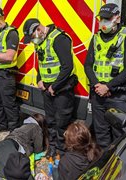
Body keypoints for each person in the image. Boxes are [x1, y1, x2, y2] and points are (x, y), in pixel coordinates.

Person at [22, 18, 78, 157]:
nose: (33, 40)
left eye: (32, 36)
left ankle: (62, 151)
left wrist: (55, 86)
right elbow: (41, 63)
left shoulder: (59, 39)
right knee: (51, 121)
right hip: (47, 89)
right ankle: (52, 147)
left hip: (62, 89)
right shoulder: (40, 41)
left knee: (62, 122)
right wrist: (39, 79)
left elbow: (67, 67)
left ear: (39, 30)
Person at [84, 3, 126, 148]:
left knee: (119, 134)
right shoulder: (96, 38)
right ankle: (103, 163)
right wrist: (97, 85)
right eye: (102, 18)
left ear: (117, 18)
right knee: (101, 134)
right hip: (98, 94)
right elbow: (87, 65)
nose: (103, 22)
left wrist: (108, 86)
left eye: (107, 18)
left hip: (118, 95)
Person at [0, 114, 48, 178]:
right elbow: (38, 149)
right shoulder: (36, 127)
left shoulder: (23, 126)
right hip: (11, 148)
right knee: (20, 173)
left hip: (0, 147)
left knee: (3, 170)